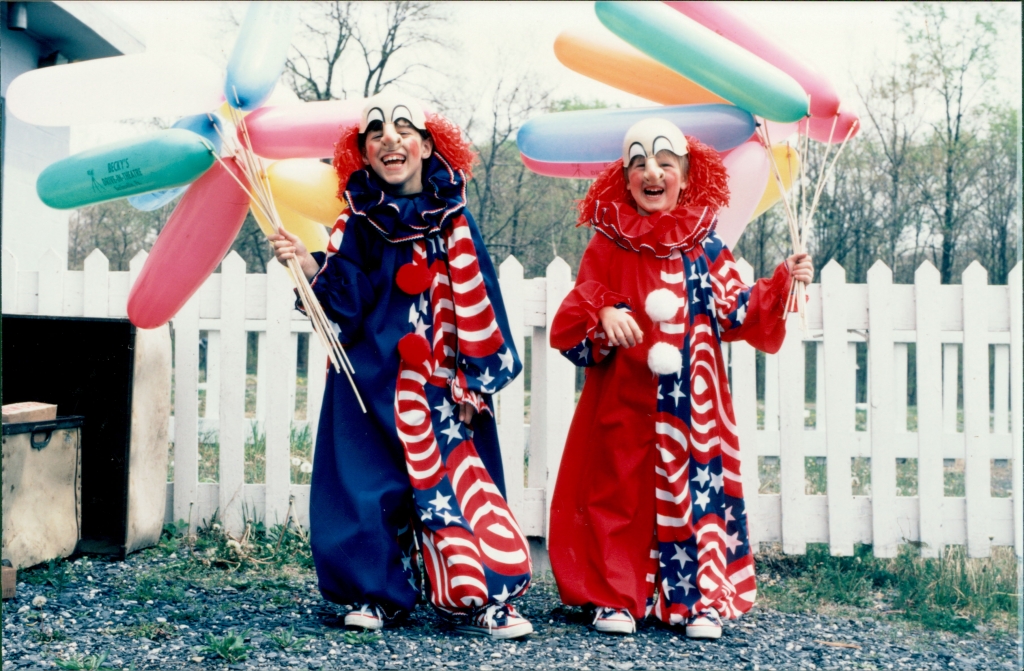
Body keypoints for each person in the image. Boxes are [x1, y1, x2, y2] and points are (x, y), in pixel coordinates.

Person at [270, 92, 533, 639]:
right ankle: (373, 593)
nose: (389, 138)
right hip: (369, 376)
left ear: (428, 145)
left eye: (403, 128)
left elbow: (479, 295)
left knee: (460, 485)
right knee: (364, 483)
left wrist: (474, 378)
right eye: (375, 133)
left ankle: (483, 597)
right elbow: (346, 295)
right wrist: (308, 261)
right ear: (363, 155)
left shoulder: (454, 219)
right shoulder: (358, 219)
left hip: (440, 379)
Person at [548, 118, 813, 639]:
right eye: (640, 164)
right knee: (615, 494)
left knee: (696, 494)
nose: (652, 172)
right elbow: (580, 305)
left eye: (665, 163)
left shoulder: (706, 245)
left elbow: (738, 308)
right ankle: (615, 597)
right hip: (623, 397)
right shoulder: (609, 243)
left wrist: (784, 281)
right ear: (625, 180)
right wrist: (603, 313)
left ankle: (699, 600)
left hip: (694, 404)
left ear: (685, 176)